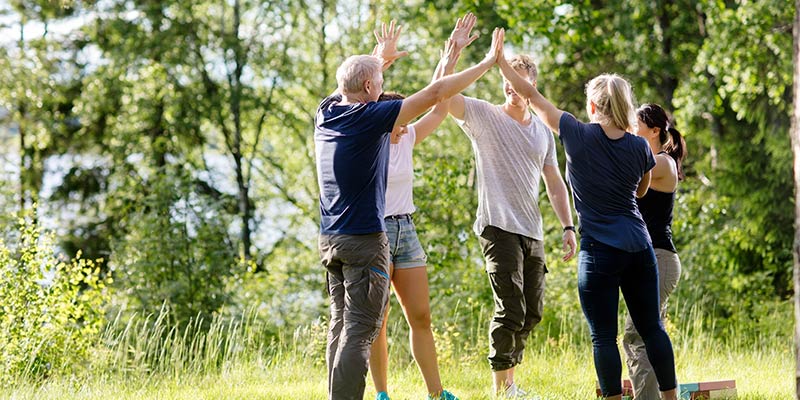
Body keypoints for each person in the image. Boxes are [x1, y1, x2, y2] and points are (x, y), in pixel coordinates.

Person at [314, 19, 504, 400]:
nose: (383, 88)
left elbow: (350, 82)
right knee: (361, 329)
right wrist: (487, 62)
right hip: (364, 238)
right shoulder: (371, 118)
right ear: (369, 88)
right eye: (379, 83)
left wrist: (377, 58)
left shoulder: (327, 111)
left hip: (331, 238)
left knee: (341, 324)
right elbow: (435, 94)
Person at [495, 33, 679, 400]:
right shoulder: (640, 146)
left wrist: (500, 61)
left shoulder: (575, 133)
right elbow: (642, 190)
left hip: (599, 252)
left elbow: (530, 96)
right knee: (652, 328)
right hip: (640, 247)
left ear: (593, 107)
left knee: (604, 337)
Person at [441, 26, 577, 397]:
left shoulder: (542, 133)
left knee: (533, 311)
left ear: (531, 86)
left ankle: (510, 382)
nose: (512, 89)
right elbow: (444, 95)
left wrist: (568, 226)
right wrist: (456, 56)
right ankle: (503, 387)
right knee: (510, 308)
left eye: (519, 83)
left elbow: (554, 181)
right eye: (507, 82)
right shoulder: (484, 115)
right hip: (496, 226)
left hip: (531, 230)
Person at [369, 16, 480, 400]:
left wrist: (451, 57)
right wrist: (376, 61)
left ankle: (436, 393)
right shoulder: (371, 142)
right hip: (375, 233)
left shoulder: (409, 136)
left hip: (406, 231)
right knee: (376, 322)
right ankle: (382, 394)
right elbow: (355, 96)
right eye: (399, 119)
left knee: (421, 317)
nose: (405, 123)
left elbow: (436, 101)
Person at [623, 103, 687, 400]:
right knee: (646, 333)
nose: (629, 128)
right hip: (650, 258)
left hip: (659, 258)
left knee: (637, 334)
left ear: (654, 130)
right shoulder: (653, 159)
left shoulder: (662, 163)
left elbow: (624, 171)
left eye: (634, 124)